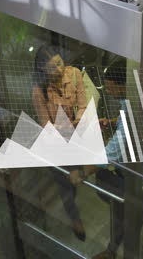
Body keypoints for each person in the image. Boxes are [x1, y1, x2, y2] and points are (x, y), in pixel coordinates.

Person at [70, 63, 143, 258]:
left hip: (140, 168)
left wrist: (83, 172)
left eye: (111, 88)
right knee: (129, 199)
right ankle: (126, 228)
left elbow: (111, 153)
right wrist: (113, 122)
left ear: (123, 86)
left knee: (111, 189)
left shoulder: (135, 111)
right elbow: (128, 120)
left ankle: (117, 247)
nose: (109, 92)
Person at [32, 45, 87, 241]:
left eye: (59, 62)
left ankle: (73, 200)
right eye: (53, 67)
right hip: (55, 145)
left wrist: (78, 120)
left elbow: (83, 104)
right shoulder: (39, 91)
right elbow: (46, 125)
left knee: (75, 179)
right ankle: (75, 219)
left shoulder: (74, 74)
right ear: (43, 71)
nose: (59, 69)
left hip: (76, 138)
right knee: (65, 185)